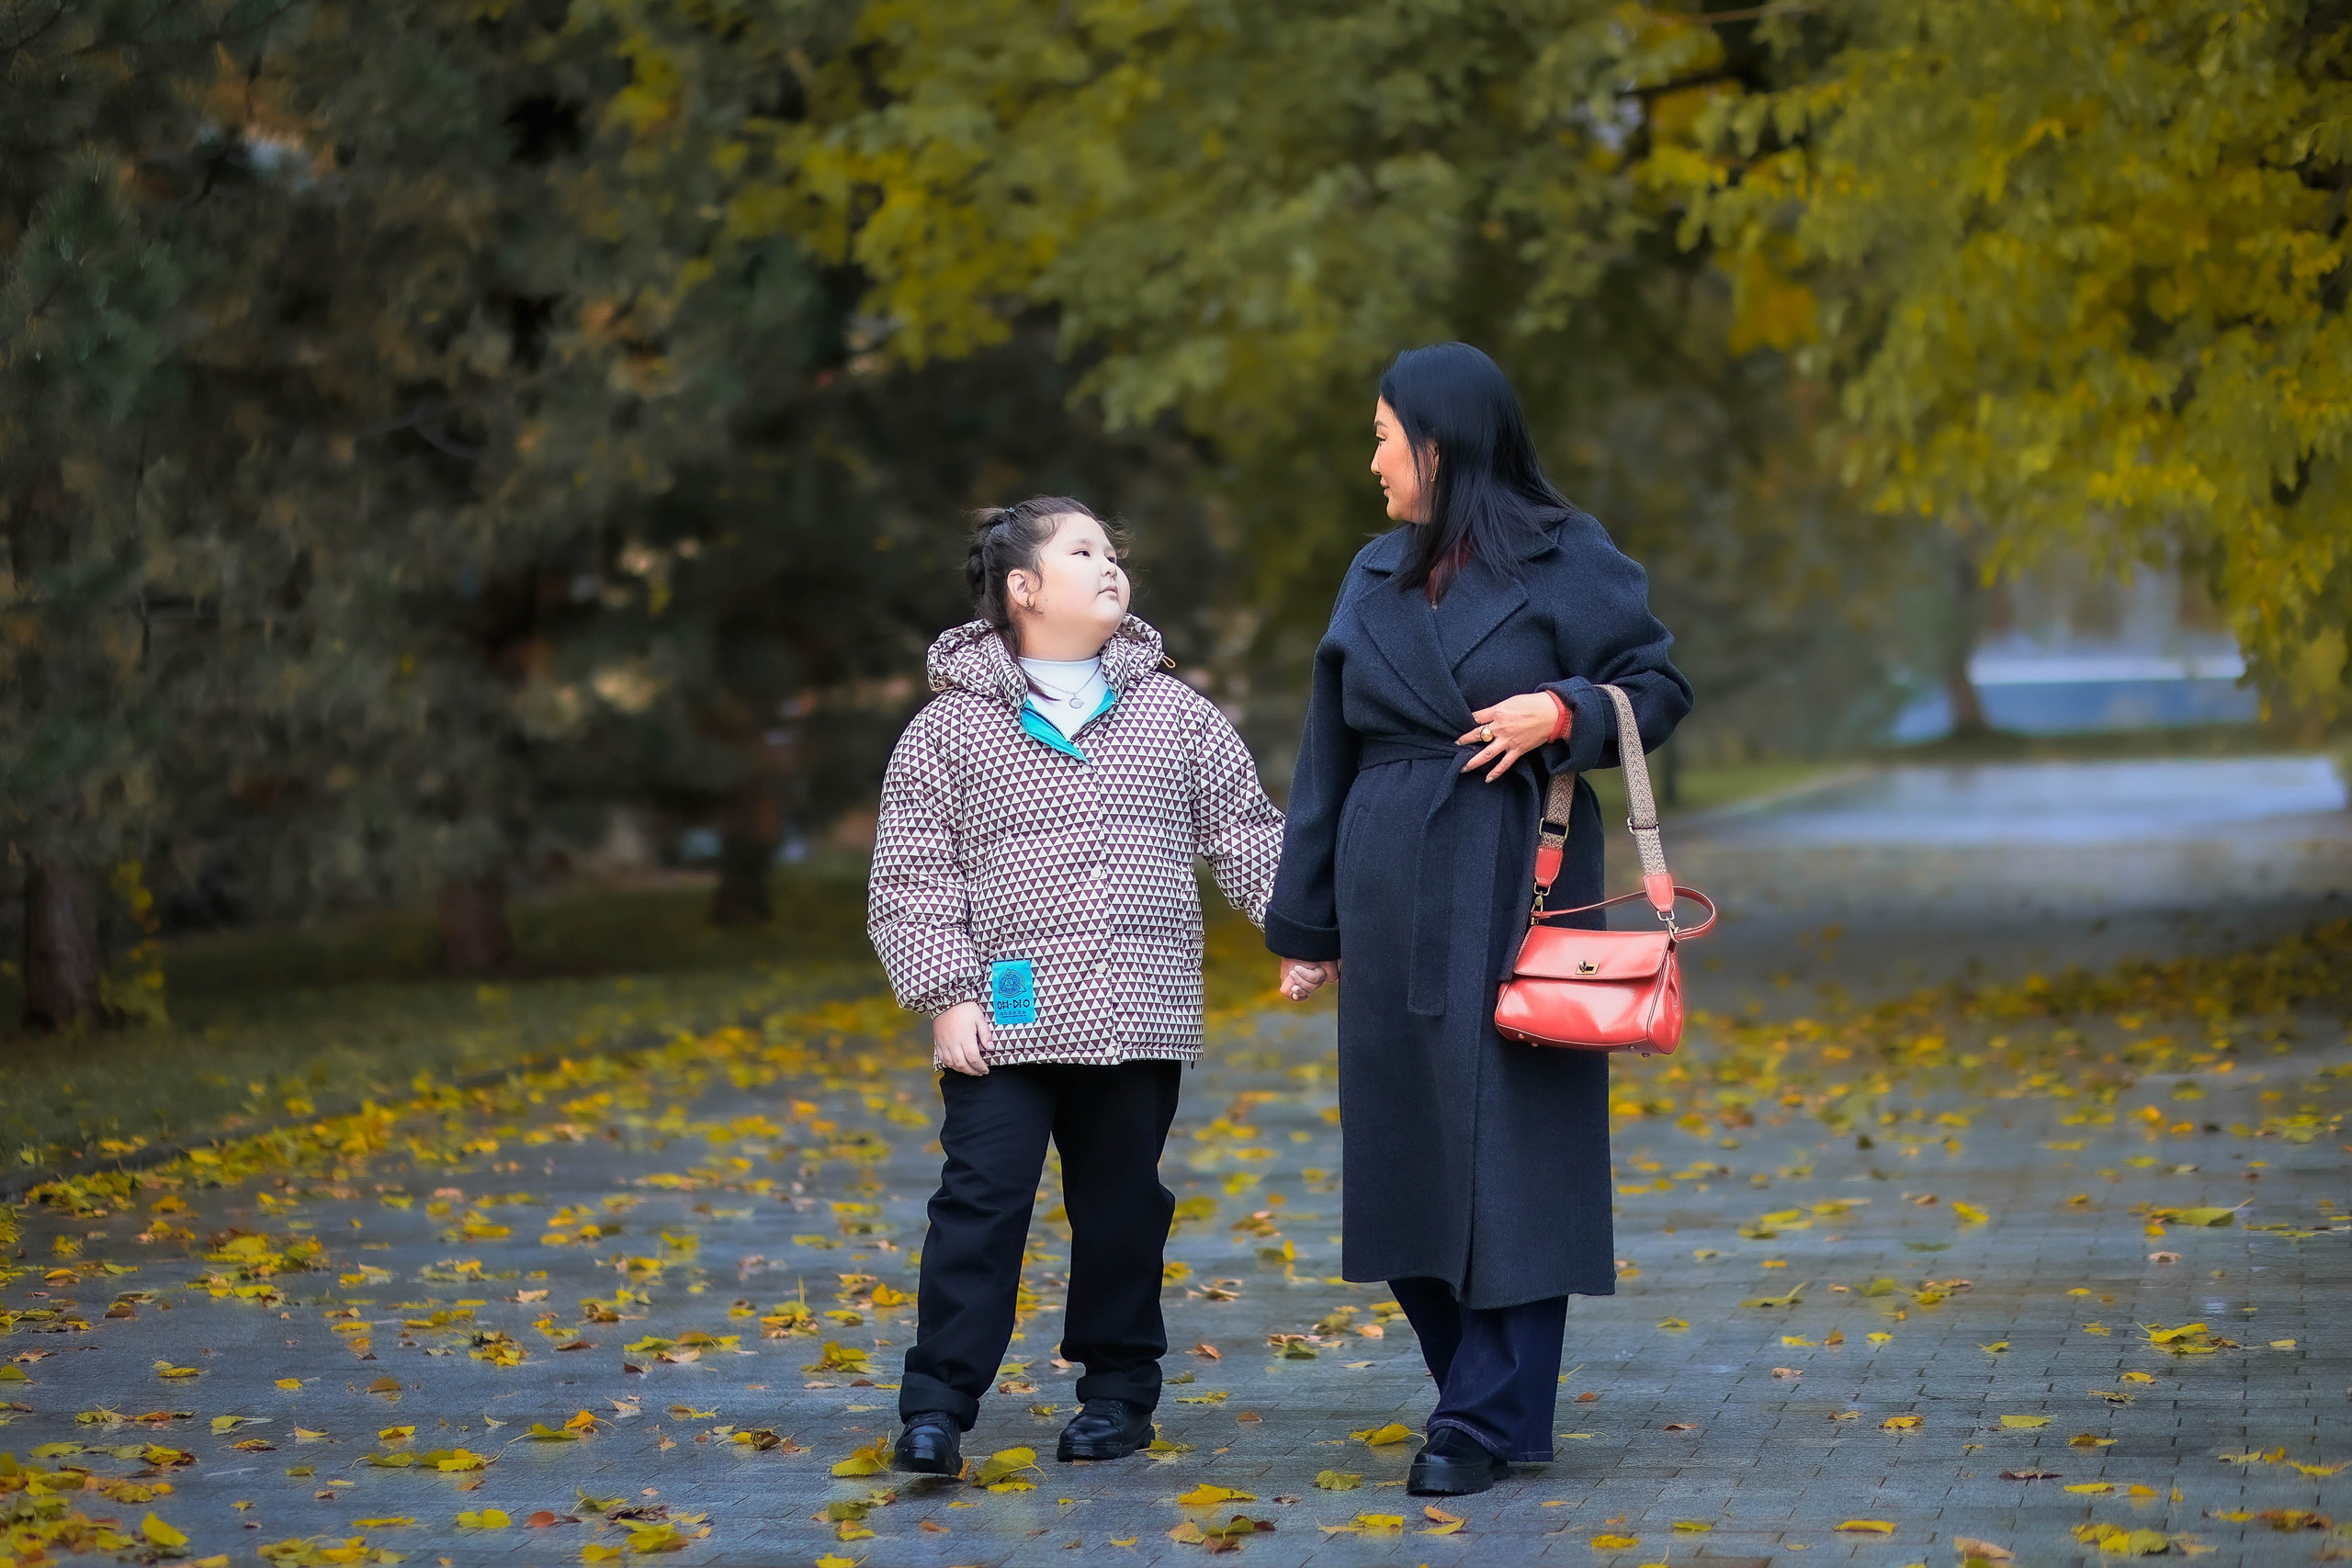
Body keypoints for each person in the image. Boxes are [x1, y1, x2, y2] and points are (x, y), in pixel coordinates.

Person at [1267, 344, 1693, 1496]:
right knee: (1405, 1154)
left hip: (1520, 877)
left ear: (1439, 444)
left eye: (1382, 438)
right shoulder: (1373, 572)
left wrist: (1563, 707)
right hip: (1389, 876)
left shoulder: (1569, 554)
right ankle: (1483, 1399)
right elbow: (1326, 751)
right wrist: (1306, 928)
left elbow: (1655, 688)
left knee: (1515, 1154)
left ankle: (1474, 1419)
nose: (1371, 463)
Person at [869, 496, 1285, 1475]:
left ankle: (1117, 1395)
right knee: (979, 1202)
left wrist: (1298, 935)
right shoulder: (949, 731)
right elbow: (912, 875)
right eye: (1083, 550)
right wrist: (948, 993)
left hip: (1137, 1010)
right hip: (1003, 1017)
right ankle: (936, 1405)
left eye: (1114, 551)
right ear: (1023, 589)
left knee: (1121, 1210)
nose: (1110, 565)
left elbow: (1247, 833)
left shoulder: (1177, 715)